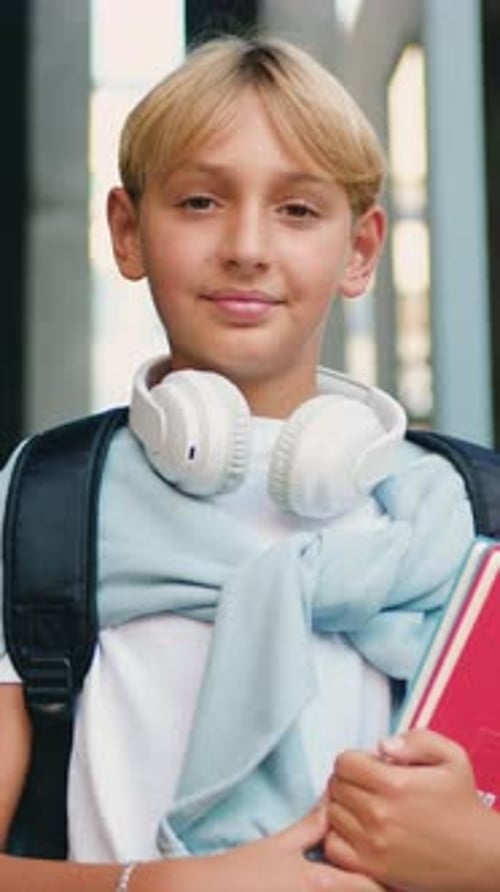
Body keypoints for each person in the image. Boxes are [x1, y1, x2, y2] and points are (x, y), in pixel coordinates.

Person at [0, 33, 493, 892]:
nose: (247, 246)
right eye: (198, 202)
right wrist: (152, 887)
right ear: (127, 232)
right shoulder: (43, 502)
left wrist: (485, 861)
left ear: (362, 251)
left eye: (299, 210)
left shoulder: (466, 520)